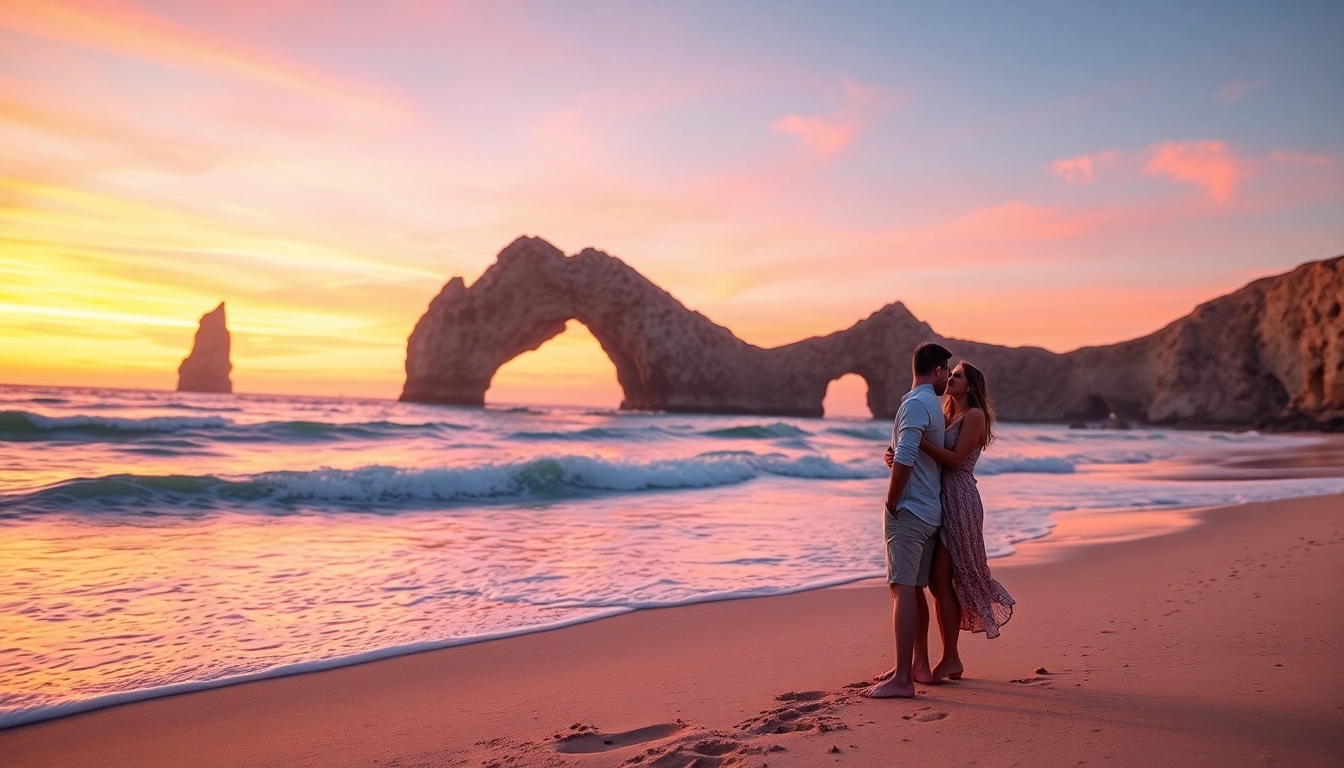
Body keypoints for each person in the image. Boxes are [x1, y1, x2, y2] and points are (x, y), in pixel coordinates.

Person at [861, 342, 961, 699]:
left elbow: (905, 454)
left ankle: (903, 678)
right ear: (935, 371)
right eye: (946, 372)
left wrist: (891, 502)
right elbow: (912, 457)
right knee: (913, 589)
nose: (947, 377)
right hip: (928, 510)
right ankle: (917, 665)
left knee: (902, 589)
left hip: (911, 512)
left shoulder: (917, 404)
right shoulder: (928, 405)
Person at [918, 361, 1015, 639]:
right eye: (950, 373)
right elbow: (936, 459)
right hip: (943, 497)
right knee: (939, 581)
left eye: (957, 375)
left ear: (970, 385)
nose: (950, 377)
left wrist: (921, 442)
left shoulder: (974, 415)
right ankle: (949, 656)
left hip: (960, 499)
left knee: (944, 577)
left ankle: (950, 657)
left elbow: (957, 459)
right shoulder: (948, 413)